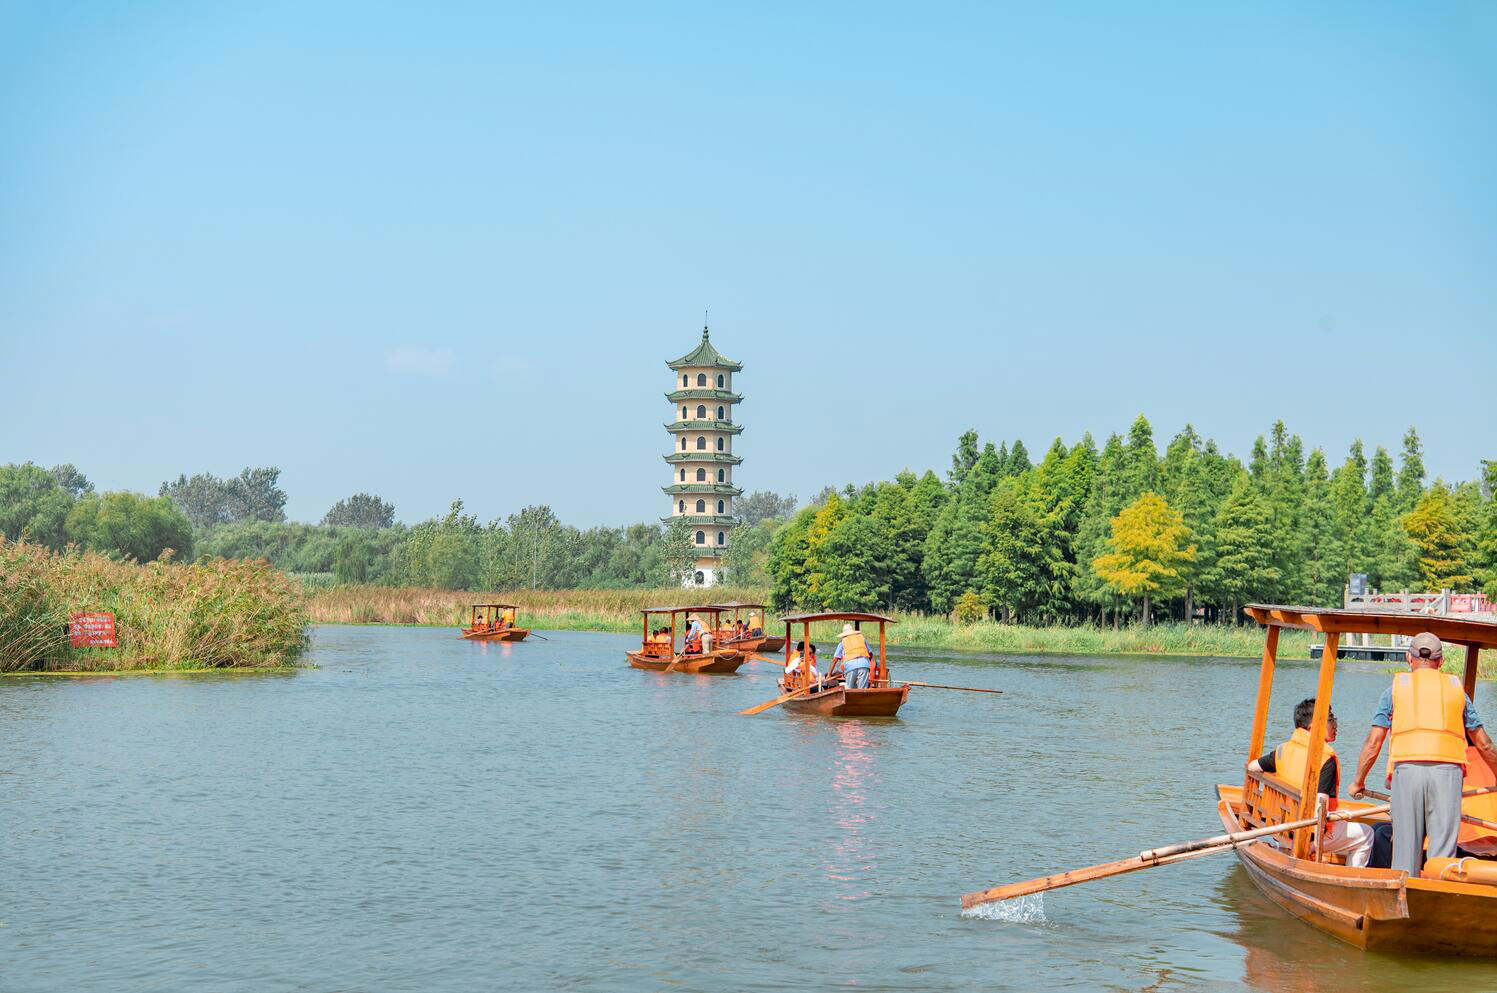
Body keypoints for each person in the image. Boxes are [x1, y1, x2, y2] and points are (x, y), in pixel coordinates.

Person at [1350, 632, 1497, 874]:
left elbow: (1373, 742)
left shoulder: (1395, 689)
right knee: (1442, 855)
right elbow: (1484, 745)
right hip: (1448, 775)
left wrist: (1358, 782)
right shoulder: (1457, 690)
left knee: (1405, 850)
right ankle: (1437, 899)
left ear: (1409, 658)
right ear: (1441, 662)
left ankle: (1404, 899)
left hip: (1407, 773)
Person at [1246, 698, 1373, 867]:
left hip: (1283, 826)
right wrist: (1314, 844)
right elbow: (1320, 807)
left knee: (1346, 826)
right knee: (1367, 834)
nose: (1335, 724)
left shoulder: (1283, 750)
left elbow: (1252, 767)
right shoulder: (1324, 759)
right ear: (1315, 727)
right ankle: (1353, 878)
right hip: (1307, 835)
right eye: (1330, 719)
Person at [835, 623, 873, 689]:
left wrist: (829, 674)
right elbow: (870, 653)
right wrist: (867, 663)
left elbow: (835, 659)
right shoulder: (862, 639)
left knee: (850, 688)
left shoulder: (842, 642)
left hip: (851, 666)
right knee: (862, 689)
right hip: (864, 664)